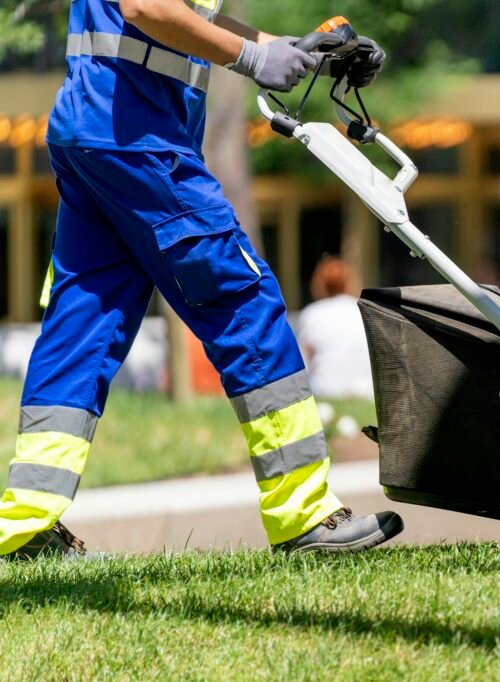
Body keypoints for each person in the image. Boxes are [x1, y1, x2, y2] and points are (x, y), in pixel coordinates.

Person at [0, 0, 403, 559]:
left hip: (99, 127)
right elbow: (145, 6)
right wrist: (252, 56)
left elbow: (190, 18)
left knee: (81, 326)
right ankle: (305, 516)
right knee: (242, 298)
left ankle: (24, 527)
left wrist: (295, 53)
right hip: (138, 134)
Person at [298, 256, 375, 401]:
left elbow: (304, 364)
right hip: (366, 391)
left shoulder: (311, 314)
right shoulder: (365, 311)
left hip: (325, 390)